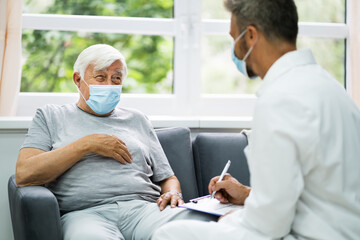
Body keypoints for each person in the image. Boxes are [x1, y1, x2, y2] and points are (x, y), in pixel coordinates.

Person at [152, 0, 360, 239]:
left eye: (233, 38)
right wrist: (248, 196)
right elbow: (309, 193)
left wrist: (234, 220)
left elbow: (268, 225)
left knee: (168, 234)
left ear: (250, 35)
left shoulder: (280, 98)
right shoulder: (330, 88)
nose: (235, 49)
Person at [16, 44, 216, 240]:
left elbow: (167, 178)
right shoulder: (50, 116)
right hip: (85, 215)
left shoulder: (138, 119)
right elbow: (25, 174)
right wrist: (86, 145)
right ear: (78, 79)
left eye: (116, 78)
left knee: (198, 225)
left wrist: (173, 193)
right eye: (101, 77)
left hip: (144, 211)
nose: (109, 86)